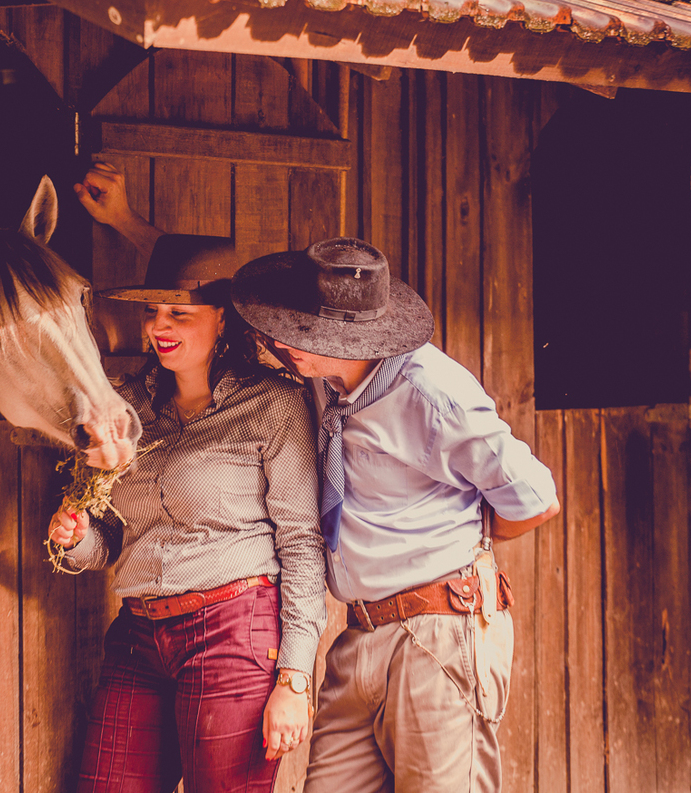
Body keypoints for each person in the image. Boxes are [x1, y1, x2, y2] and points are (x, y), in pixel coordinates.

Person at [229, 238, 560, 793]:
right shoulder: (323, 378)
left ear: (351, 337)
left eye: (302, 333)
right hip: (360, 633)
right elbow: (198, 292)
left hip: (437, 632)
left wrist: (462, 549)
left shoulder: (432, 395)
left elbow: (537, 499)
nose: (282, 342)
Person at [47, 165, 327, 792]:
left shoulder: (272, 405)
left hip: (235, 628)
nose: (159, 327)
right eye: (153, 313)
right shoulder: (127, 409)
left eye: (179, 312)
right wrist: (73, 540)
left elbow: (302, 544)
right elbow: (109, 544)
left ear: (223, 320)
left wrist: (294, 679)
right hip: (139, 631)